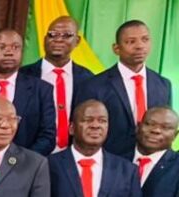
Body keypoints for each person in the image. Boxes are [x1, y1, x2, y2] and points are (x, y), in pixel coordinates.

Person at [74, 20, 173, 158]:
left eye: (145, 40)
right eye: (131, 41)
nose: (139, 46)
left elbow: (167, 126)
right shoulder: (94, 86)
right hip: (111, 162)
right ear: (116, 48)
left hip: (153, 162)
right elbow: (83, 132)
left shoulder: (163, 84)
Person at [19, 16, 95, 153]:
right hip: (32, 154)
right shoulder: (23, 76)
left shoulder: (87, 78)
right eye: (52, 34)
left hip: (73, 156)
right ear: (44, 39)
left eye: (67, 35)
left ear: (77, 41)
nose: (58, 39)